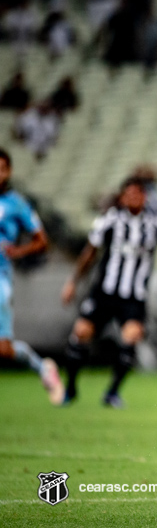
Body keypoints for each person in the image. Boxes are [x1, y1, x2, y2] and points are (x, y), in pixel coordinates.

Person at [60, 177, 157, 408]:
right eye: (129, 194)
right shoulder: (110, 220)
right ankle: (71, 388)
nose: (133, 198)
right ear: (123, 197)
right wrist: (73, 281)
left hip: (134, 297)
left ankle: (112, 393)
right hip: (104, 293)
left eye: (138, 194)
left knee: (131, 338)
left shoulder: (156, 223)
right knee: (81, 333)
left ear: (145, 197)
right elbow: (90, 252)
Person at [0, 148, 62, 404]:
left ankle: (43, 369)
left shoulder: (17, 204)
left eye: (1, 168)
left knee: (3, 349)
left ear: (9, 171)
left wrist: (19, 250)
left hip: (0, 277)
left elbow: (41, 240)